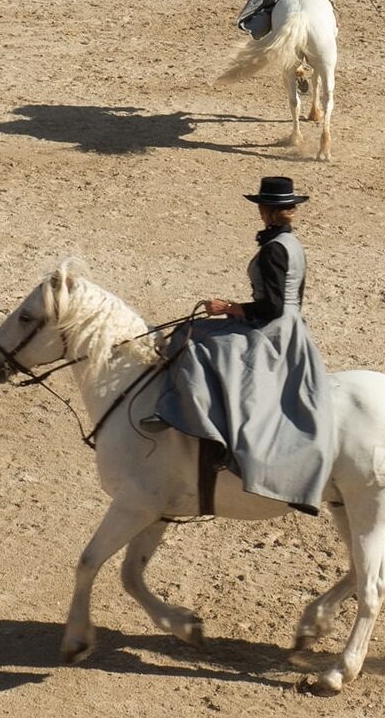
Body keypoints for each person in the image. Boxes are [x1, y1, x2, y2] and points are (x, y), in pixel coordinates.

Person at [155, 176, 334, 515]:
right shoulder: (291, 244)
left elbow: (273, 307)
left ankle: (209, 433)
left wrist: (230, 308)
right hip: (288, 325)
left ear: (266, 211)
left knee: (193, 340)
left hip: (272, 330)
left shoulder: (274, 250)